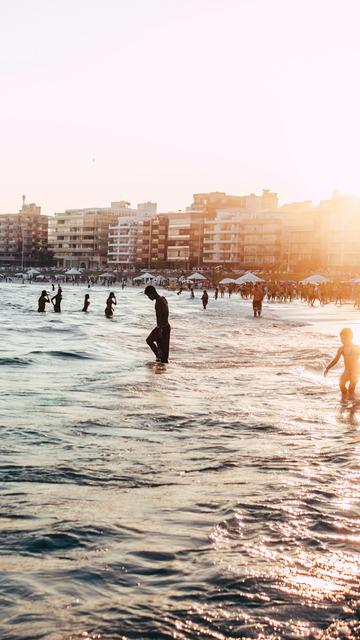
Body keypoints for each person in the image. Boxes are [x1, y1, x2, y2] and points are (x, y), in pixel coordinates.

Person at [324, 328, 360, 400]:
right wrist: (327, 368)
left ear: (351, 337)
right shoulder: (341, 349)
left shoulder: (357, 348)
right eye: (342, 339)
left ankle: (353, 404)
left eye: (345, 339)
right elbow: (335, 360)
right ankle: (345, 400)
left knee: (351, 389)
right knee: (341, 385)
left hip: (356, 371)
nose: (343, 341)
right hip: (346, 371)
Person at [144, 285, 170, 364]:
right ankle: (158, 358)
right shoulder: (162, 298)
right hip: (164, 326)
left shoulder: (158, 302)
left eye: (149, 296)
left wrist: (160, 329)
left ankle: (160, 359)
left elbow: (161, 316)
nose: (149, 298)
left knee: (163, 354)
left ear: (152, 293)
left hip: (163, 327)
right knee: (151, 341)